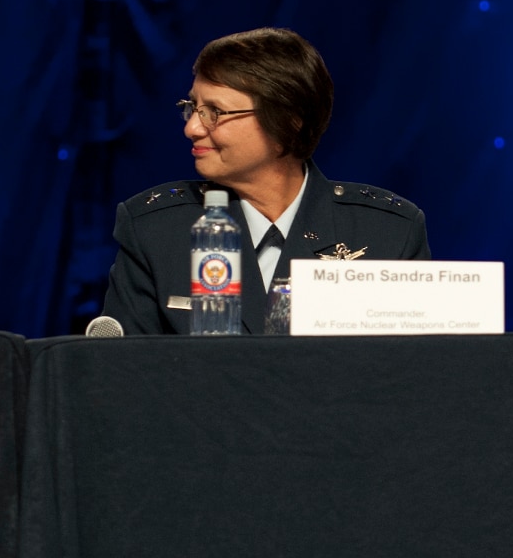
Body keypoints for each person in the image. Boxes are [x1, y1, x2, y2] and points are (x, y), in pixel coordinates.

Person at [101, 27, 429, 334]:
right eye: (193, 108)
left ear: (288, 121)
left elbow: (414, 377)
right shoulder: (154, 231)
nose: (193, 129)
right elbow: (121, 380)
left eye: (214, 112)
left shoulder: (389, 233)